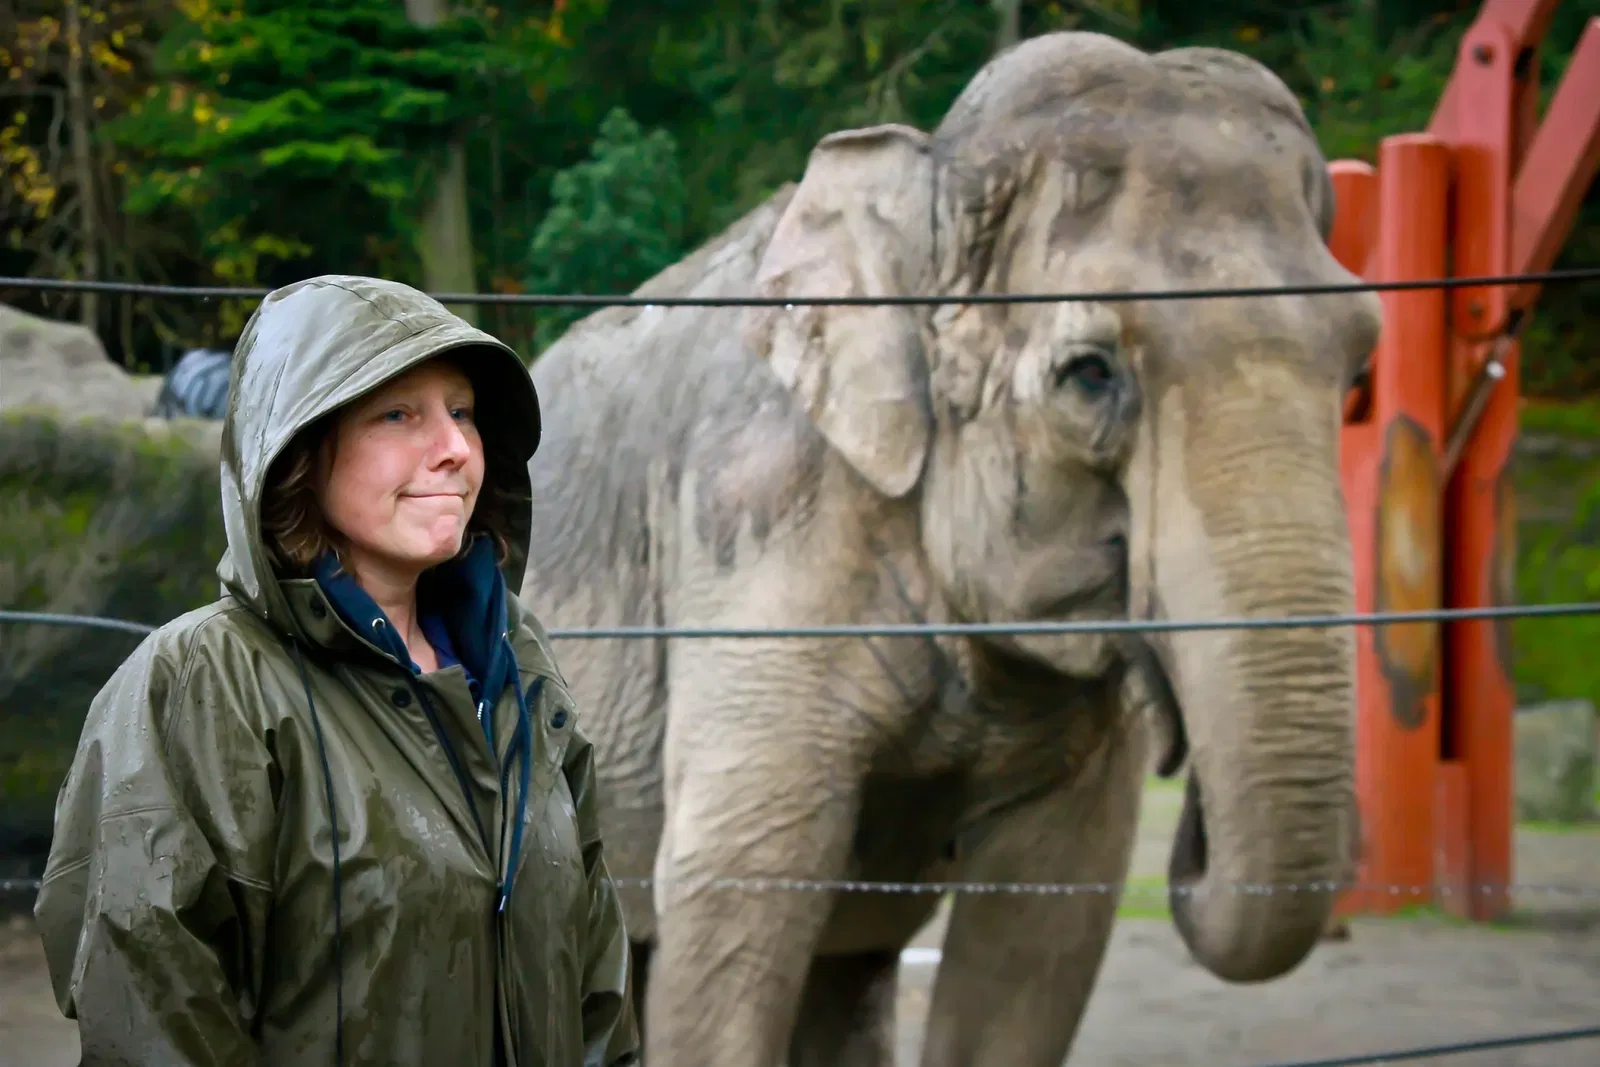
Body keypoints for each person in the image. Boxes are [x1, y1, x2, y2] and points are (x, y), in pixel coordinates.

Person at [34, 275, 641, 1067]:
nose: (455, 447)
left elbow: (596, 979)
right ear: (299, 449)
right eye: (400, 414)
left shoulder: (517, 666)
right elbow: (153, 1010)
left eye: (461, 411)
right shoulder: (201, 684)